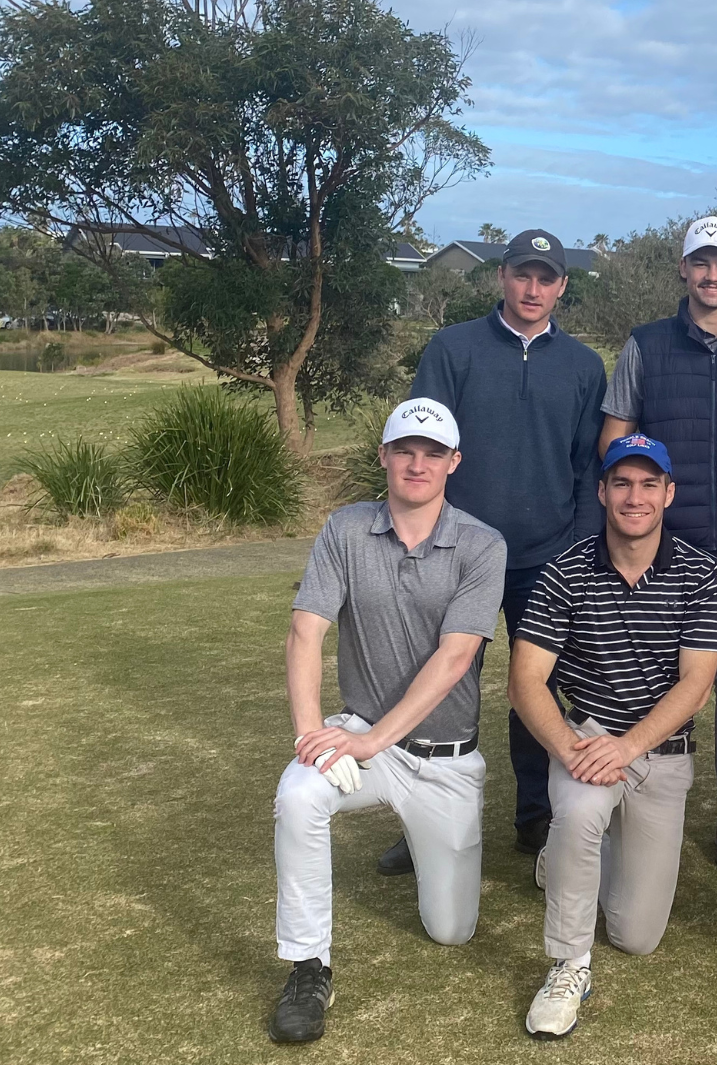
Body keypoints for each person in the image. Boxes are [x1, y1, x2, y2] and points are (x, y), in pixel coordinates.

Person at [268, 399, 506, 1043]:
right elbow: (304, 631)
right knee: (298, 794)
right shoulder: (346, 529)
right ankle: (307, 965)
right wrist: (310, 734)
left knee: (451, 930)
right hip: (365, 741)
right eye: (405, 450)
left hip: (445, 757)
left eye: (433, 454)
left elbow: (456, 657)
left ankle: (419, 836)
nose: (417, 464)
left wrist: (372, 738)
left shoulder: (483, 544)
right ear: (384, 456)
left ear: (454, 463)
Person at [398, 229, 606, 870]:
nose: (533, 288)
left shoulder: (583, 366)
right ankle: (418, 816)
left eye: (546, 278)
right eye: (522, 274)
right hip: (457, 549)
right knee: (438, 681)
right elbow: (423, 449)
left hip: (545, 555)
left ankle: (535, 817)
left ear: (562, 286)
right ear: (502, 277)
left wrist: (574, 547)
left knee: (534, 686)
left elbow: (585, 469)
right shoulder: (453, 348)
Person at [598, 215, 717, 869]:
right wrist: (641, 510)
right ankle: (646, 793)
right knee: (658, 675)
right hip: (663, 548)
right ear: (683, 270)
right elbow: (615, 438)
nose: (712, 275)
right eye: (700, 263)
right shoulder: (646, 345)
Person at [511, 435, 717, 1039]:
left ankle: (570, 855)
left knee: (637, 936)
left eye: (649, 484)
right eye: (622, 484)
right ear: (602, 491)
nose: (636, 497)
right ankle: (567, 965)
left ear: (669, 493)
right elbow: (525, 682)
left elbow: (696, 685)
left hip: (659, 753)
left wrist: (628, 749)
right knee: (579, 812)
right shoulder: (565, 570)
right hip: (588, 737)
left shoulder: (700, 573)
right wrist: (574, 750)